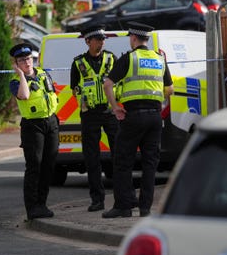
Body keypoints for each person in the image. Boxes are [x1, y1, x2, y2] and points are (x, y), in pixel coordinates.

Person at [101, 22, 173, 218]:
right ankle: (145, 208)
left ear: (133, 38)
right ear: (146, 39)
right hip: (154, 117)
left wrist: (116, 107)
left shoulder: (129, 59)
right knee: (150, 164)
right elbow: (170, 89)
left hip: (132, 116)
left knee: (123, 161)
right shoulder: (159, 59)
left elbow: (108, 84)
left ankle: (123, 207)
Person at [9, 43, 60, 220]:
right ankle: (32, 207)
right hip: (33, 126)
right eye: (22, 60)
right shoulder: (16, 82)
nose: (27, 62)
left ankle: (42, 204)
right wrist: (21, 75)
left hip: (51, 122)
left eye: (29, 58)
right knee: (35, 166)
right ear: (16, 63)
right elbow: (24, 96)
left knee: (48, 165)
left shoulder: (43, 75)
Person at [70, 25, 118, 212]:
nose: (102, 42)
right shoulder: (77, 63)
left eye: (103, 39)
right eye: (98, 39)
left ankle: (122, 196)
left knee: (119, 154)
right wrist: (81, 99)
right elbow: (74, 87)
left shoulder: (111, 58)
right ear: (88, 41)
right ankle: (97, 199)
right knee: (92, 158)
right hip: (89, 114)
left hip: (109, 112)